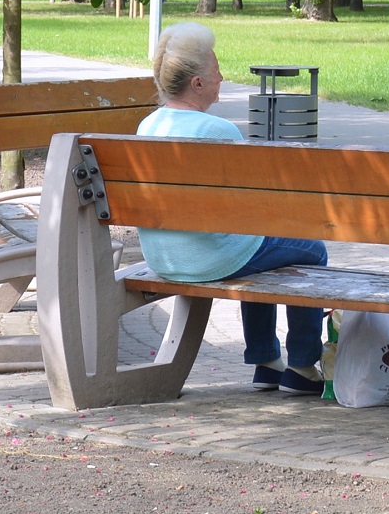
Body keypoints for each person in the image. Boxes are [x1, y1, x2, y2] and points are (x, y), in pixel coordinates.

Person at [137, 22, 329, 396]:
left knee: (259, 247)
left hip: (163, 257)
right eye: (216, 69)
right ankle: (303, 365)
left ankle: (266, 362)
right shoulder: (217, 131)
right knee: (312, 248)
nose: (222, 76)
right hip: (209, 258)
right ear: (197, 84)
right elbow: (254, 204)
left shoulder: (148, 126)